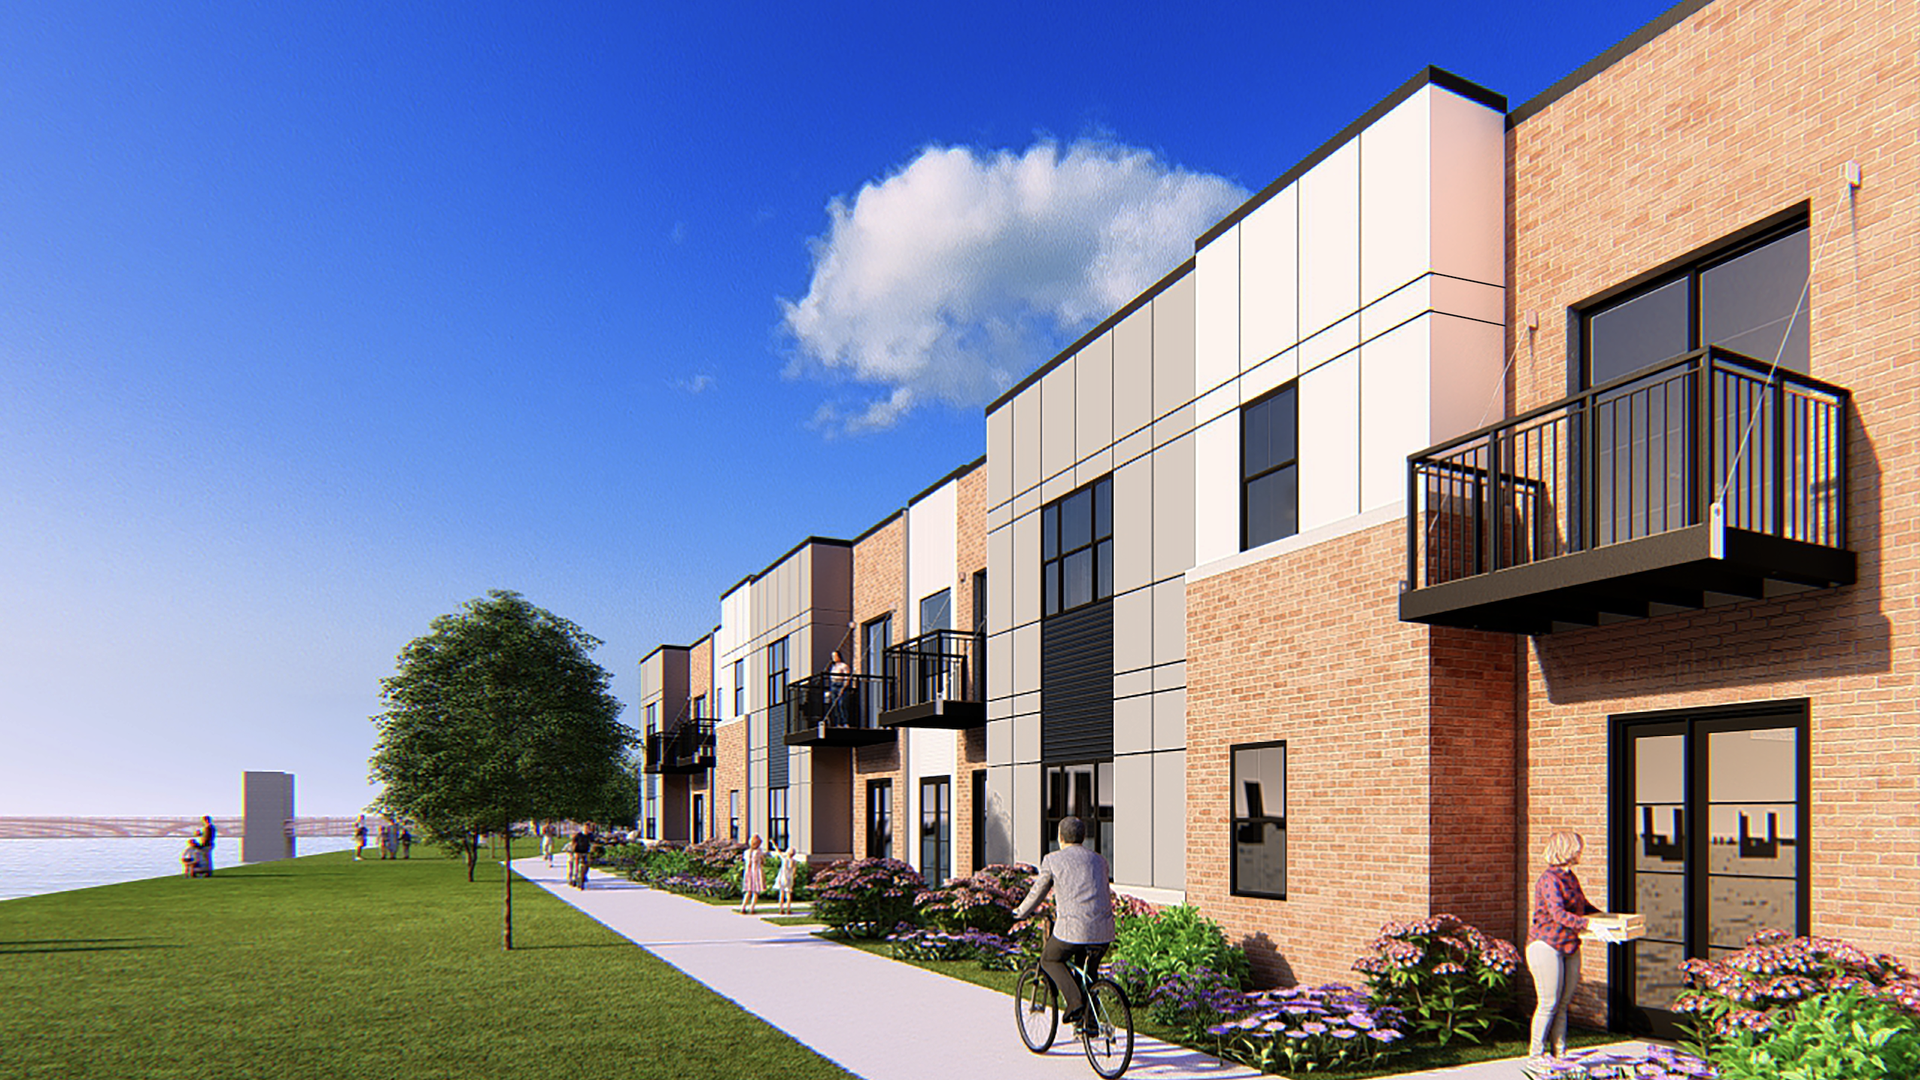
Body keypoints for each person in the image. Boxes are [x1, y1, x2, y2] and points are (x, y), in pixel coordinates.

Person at [1012, 816, 1115, 1034]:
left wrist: (1020, 912)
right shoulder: (1099, 860)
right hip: (1103, 932)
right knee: (1088, 974)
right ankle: (1090, 1024)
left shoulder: (1053, 859)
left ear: (1060, 837)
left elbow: (1038, 891)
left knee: (1050, 958)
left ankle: (1075, 1003)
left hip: (1073, 930)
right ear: (1083, 837)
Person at [1527, 829, 1604, 1061]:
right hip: (1546, 945)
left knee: (1563, 1003)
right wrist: (1588, 924)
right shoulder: (1549, 879)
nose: (1581, 852)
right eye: (1578, 847)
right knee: (1548, 1003)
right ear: (1568, 850)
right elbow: (1558, 914)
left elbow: (1584, 906)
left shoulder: (1570, 877)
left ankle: (1559, 1053)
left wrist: (1608, 919)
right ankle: (1536, 1055)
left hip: (1570, 944)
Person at [826, 650, 853, 725]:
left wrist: (844, 686)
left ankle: (845, 721)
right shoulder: (833, 667)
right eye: (833, 657)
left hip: (840, 684)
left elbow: (847, 677)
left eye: (835, 656)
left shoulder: (843, 666)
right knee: (835, 704)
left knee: (842, 703)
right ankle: (838, 722)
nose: (834, 658)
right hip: (834, 685)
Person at [740, 835, 766, 914]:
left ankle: (743, 907)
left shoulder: (746, 852)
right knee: (755, 892)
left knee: (748, 891)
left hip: (748, 873)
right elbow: (762, 862)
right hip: (756, 872)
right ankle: (752, 908)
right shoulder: (759, 852)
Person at [774, 841, 800, 915]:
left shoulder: (784, 859)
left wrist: (775, 845)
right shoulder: (794, 861)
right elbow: (794, 871)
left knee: (781, 893)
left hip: (782, 877)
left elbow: (778, 852)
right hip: (789, 877)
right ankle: (788, 909)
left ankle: (781, 909)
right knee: (788, 894)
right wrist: (793, 878)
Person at [567, 824, 593, 889]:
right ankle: (574, 878)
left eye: (588, 828)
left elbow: (593, 843)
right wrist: (572, 851)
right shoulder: (579, 835)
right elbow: (573, 842)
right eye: (585, 828)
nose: (586, 829)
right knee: (576, 866)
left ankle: (583, 876)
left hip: (585, 852)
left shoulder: (590, 836)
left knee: (586, 865)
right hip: (577, 851)